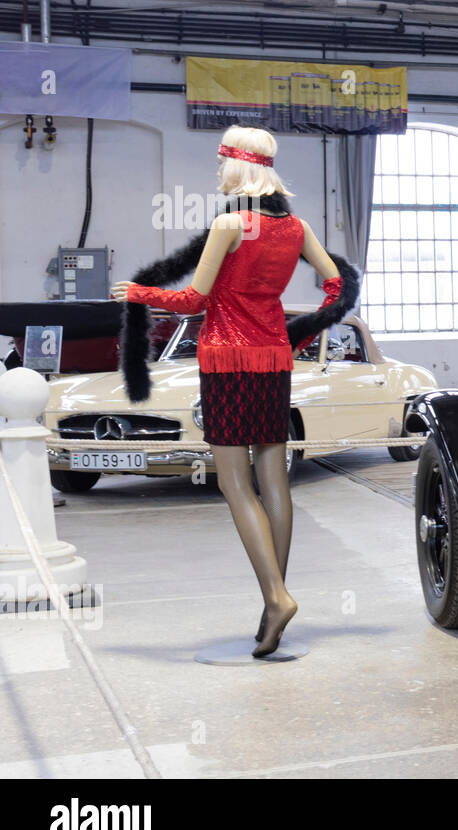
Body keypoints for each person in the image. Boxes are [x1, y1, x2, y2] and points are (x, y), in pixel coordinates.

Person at [112, 126, 342, 657]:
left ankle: (277, 597)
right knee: (275, 481)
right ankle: (272, 603)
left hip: (226, 363)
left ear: (239, 168)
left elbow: (194, 301)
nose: (217, 174)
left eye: (220, 165)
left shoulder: (230, 223)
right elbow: (335, 284)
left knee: (234, 484)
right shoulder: (297, 228)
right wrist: (288, 320)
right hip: (273, 360)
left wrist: (139, 292)